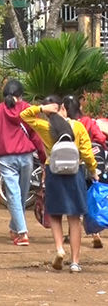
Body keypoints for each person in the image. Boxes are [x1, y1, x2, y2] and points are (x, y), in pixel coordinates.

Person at [21, 96, 99, 273]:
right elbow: (87, 153)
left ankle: (59, 249)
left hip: (54, 173)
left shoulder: (46, 127)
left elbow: (24, 115)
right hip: (75, 173)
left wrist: (42, 108)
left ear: (59, 107)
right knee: (74, 218)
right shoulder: (78, 127)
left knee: (55, 215)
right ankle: (75, 262)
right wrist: (93, 171)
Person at [0, 80, 47, 246]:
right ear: (21, 95)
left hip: (6, 158)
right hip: (27, 156)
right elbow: (35, 135)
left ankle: (21, 231)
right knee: (20, 194)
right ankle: (18, 230)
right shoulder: (28, 108)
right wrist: (43, 158)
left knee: (14, 194)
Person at [63, 95, 106, 249]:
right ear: (79, 108)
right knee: (90, 197)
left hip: (73, 166)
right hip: (90, 164)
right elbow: (100, 138)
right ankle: (96, 234)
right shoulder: (88, 121)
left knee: (73, 200)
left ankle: (71, 233)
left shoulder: (65, 124)